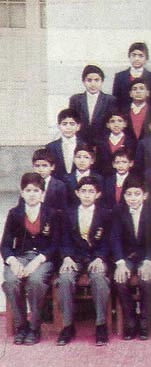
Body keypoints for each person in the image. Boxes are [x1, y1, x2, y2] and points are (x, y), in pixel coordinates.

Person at [2, 173, 59, 345]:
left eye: (36, 190)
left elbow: (55, 244)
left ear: (43, 193)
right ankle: (21, 326)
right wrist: (13, 261)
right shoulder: (14, 214)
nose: (32, 194)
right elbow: (5, 244)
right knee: (11, 281)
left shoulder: (52, 213)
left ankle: (34, 327)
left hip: (43, 259)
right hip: (20, 257)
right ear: (22, 192)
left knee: (35, 281)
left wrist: (37, 261)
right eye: (28, 190)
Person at [56, 176, 111, 346]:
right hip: (75, 256)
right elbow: (63, 238)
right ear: (77, 193)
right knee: (65, 279)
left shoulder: (105, 213)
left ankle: (101, 325)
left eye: (91, 191)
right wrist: (66, 257)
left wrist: (100, 257)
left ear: (98, 194)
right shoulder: (68, 213)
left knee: (99, 278)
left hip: (96, 257)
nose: (87, 195)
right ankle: (68, 325)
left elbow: (108, 240)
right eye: (83, 191)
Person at [111, 175, 151, 340]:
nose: (132, 198)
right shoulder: (118, 211)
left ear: (144, 195)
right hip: (126, 257)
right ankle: (130, 320)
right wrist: (120, 263)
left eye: (137, 194)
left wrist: (148, 262)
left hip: (146, 257)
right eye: (129, 194)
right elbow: (115, 238)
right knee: (120, 280)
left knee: (145, 279)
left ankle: (145, 321)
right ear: (124, 195)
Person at [68, 65, 117, 145]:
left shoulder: (110, 100)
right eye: (89, 80)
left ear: (102, 81)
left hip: (103, 143)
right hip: (81, 143)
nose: (93, 84)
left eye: (97, 80)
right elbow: (73, 122)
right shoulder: (75, 99)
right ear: (83, 81)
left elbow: (111, 123)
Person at [112, 42, 151, 110]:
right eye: (134, 55)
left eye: (141, 56)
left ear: (146, 58)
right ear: (129, 56)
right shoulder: (120, 77)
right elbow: (115, 100)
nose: (136, 59)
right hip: (123, 114)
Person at [46, 108, 84, 180]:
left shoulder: (84, 145)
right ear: (58, 126)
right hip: (58, 183)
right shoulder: (51, 147)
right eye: (64, 124)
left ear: (78, 127)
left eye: (72, 124)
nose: (68, 127)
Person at [95, 110, 135, 177]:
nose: (116, 125)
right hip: (104, 176)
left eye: (120, 121)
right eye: (112, 121)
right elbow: (98, 162)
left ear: (125, 124)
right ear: (107, 125)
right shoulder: (101, 141)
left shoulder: (131, 141)